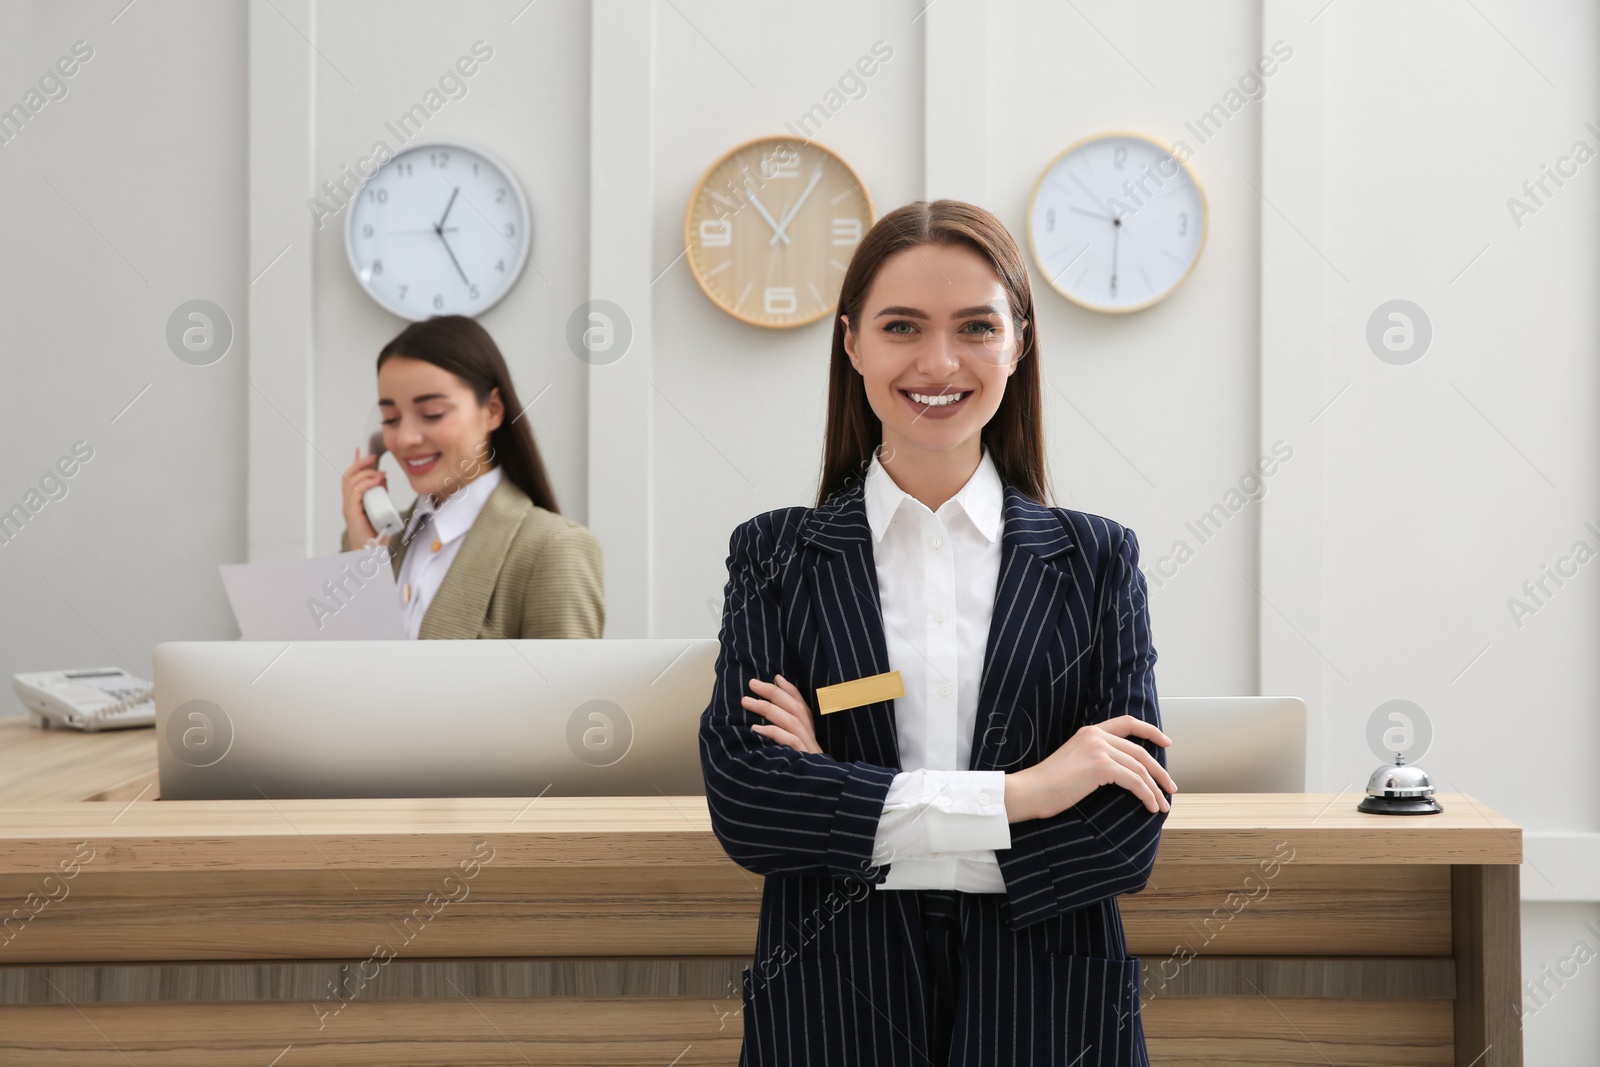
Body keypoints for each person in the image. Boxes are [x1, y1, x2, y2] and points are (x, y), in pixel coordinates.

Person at [699, 200, 1176, 1066]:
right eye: (902, 326)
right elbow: (751, 804)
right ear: (851, 344)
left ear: (1018, 344)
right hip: (832, 996)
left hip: (1049, 1003)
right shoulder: (775, 554)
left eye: (976, 327)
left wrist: (842, 801)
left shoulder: (1098, 558)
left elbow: (1120, 830)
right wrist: (1026, 792)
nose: (939, 361)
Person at [338, 315, 605, 640]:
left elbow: (567, 690)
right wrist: (364, 558)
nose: (405, 438)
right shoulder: (373, 543)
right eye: (391, 418)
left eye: (432, 414)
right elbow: (347, 677)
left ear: (492, 410)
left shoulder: (552, 549)